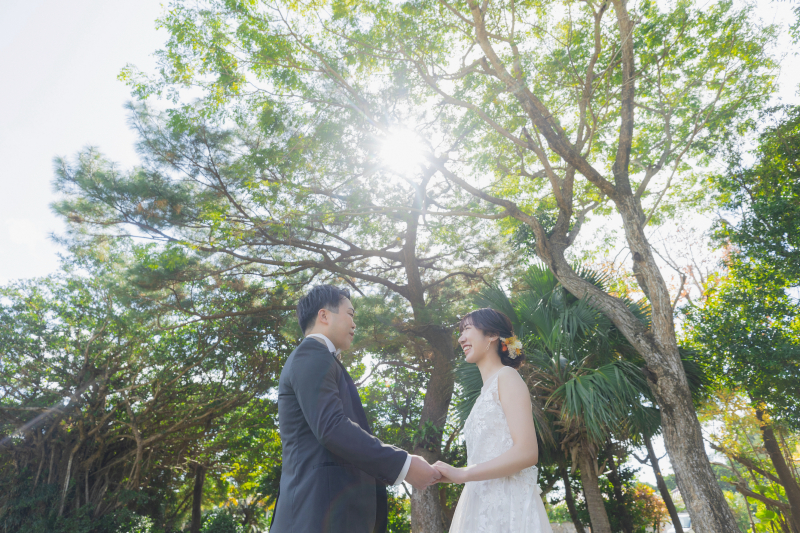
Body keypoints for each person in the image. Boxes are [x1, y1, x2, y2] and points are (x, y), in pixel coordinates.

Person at [270, 285, 441, 533]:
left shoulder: (321, 359)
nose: (354, 324)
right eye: (350, 314)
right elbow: (332, 427)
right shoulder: (312, 355)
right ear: (324, 316)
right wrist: (404, 465)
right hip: (314, 515)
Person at [433, 308, 552, 533]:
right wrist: (453, 475)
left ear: (492, 335)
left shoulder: (507, 377)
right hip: (479, 504)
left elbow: (527, 452)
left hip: (508, 506)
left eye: (467, 329)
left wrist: (463, 473)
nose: (460, 338)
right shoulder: (482, 394)